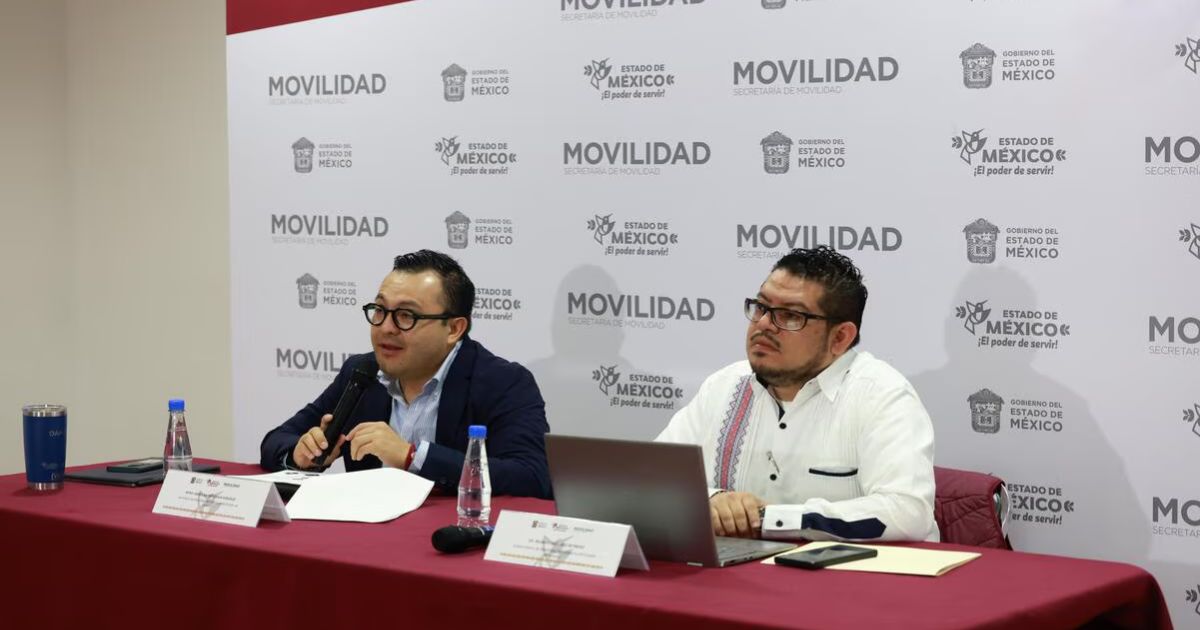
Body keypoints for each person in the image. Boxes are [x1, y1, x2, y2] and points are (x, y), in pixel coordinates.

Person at [656, 246, 937, 541]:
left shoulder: (881, 395)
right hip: (740, 565)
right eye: (761, 307)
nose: (763, 324)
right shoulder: (725, 386)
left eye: (790, 316)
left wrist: (769, 519)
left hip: (855, 569)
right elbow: (652, 480)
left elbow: (907, 513)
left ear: (840, 338)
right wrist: (713, 501)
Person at [260, 250, 551, 498]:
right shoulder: (362, 373)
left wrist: (413, 457)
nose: (386, 328)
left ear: (454, 329)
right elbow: (276, 440)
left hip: (447, 539)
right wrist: (300, 454)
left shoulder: (503, 382)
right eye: (379, 310)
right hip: (367, 533)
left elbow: (533, 476)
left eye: (406, 316)